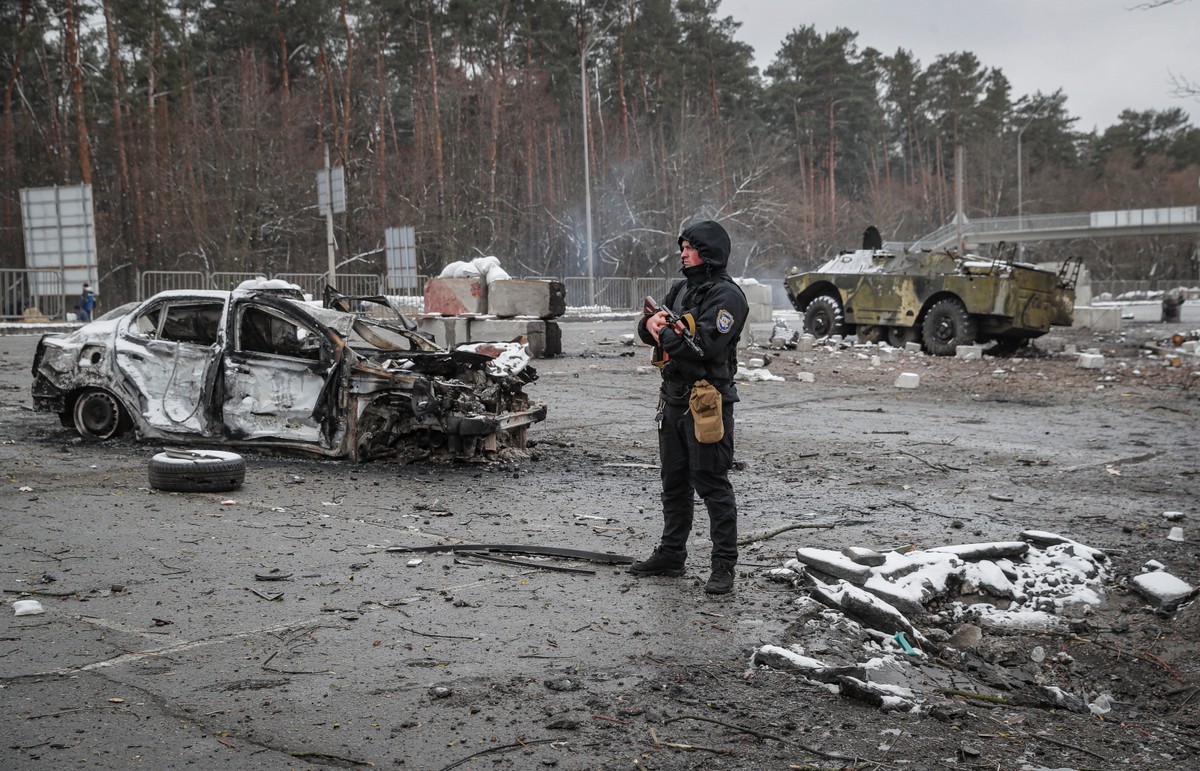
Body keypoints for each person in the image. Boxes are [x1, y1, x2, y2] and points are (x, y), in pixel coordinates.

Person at [630, 220, 748, 594]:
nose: (682, 253)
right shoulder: (681, 289)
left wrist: (659, 329)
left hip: (707, 401)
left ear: (708, 252)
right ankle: (671, 554)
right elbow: (647, 328)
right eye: (682, 246)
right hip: (674, 398)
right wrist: (652, 322)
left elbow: (705, 346)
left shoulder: (728, 297)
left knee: (712, 482)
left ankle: (723, 565)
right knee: (674, 482)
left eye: (690, 247)